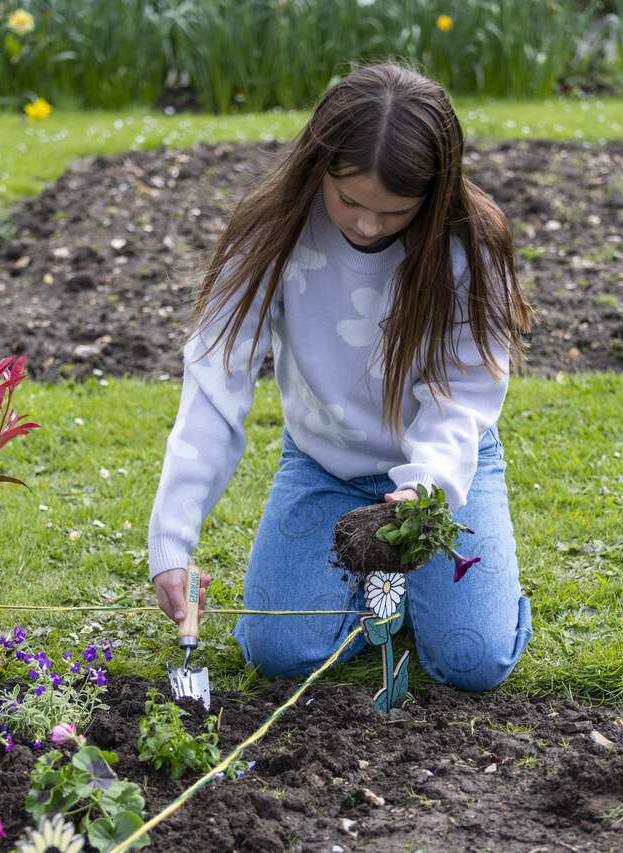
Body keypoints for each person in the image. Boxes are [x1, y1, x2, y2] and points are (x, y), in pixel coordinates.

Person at [148, 63, 533, 692]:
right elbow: (215, 387)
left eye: (397, 211)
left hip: (442, 473)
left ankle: (442, 593)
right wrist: (172, 538)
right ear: (318, 165)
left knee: (475, 661)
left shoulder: (470, 244)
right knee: (276, 652)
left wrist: (427, 488)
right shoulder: (270, 233)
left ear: (433, 196)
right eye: (349, 200)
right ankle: (374, 596)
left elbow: (463, 395)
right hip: (324, 465)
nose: (367, 225)